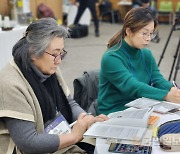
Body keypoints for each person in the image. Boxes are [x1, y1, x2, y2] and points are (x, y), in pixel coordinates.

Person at [0, 18, 108, 154]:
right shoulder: (11, 83)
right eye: (55, 54)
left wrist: (87, 120)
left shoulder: (51, 68)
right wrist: (74, 136)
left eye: (62, 53)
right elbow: (28, 142)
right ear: (33, 52)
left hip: (58, 138)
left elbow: (70, 103)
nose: (59, 61)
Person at [97, 7, 180, 115]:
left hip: (140, 107)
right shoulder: (111, 57)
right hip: (114, 112)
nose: (148, 38)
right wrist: (166, 95)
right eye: (144, 33)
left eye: (151, 34)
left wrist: (174, 90)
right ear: (128, 31)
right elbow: (132, 86)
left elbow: (157, 80)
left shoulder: (146, 54)